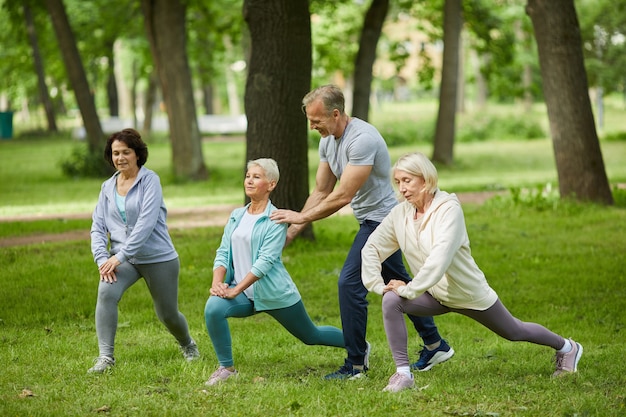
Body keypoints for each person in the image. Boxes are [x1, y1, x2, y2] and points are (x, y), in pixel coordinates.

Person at [270, 85, 453, 380]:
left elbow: (342, 196)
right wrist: (293, 231)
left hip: (383, 221)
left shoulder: (362, 139)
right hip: (370, 220)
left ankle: (355, 364)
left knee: (349, 285)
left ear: (336, 113)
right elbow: (321, 190)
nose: (312, 126)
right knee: (400, 282)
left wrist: (301, 216)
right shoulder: (328, 141)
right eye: (310, 120)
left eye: (316, 120)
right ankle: (435, 345)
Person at [362, 151, 583, 392]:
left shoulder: (448, 210)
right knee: (391, 299)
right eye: (398, 182)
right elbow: (372, 247)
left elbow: (439, 258)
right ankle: (403, 375)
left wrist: (410, 288)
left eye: (407, 180)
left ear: (425, 180)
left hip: (467, 293)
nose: (402, 188)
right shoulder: (401, 214)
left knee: (514, 330)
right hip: (433, 294)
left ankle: (567, 347)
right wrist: (377, 284)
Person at [203, 158, 345, 386]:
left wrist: (235, 289)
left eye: (256, 177)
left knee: (311, 336)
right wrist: (218, 284)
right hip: (242, 293)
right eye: (248, 176)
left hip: (273, 292)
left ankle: (359, 345)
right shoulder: (236, 216)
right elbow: (223, 252)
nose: (249, 180)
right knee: (213, 308)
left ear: (271, 184)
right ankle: (226, 368)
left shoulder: (276, 219)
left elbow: (265, 262)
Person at [89, 128, 199, 373]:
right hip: (123, 260)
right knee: (106, 292)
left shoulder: (150, 181)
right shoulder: (107, 187)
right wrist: (101, 258)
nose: (120, 158)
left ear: (137, 154)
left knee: (168, 314)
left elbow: (146, 224)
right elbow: (97, 227)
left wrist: (119, 256)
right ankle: (105, 358)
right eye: (115, 153)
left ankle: (188, 344)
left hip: (158, 257)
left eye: (126, 152)